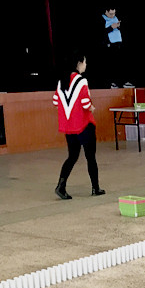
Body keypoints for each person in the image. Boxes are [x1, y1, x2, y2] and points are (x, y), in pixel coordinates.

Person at [52, 53, 104, 199]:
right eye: (85, 62)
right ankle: (95, 188)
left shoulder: (61, 81)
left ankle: (61, 186)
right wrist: (92, 108)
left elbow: (55, 101)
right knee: (90, 157)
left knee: (72, 157)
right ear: (79, 63)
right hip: (84, 124)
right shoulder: (82, 81)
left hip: (69, 127)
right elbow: (85, 103)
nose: (86, 65)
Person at [103, 8, 123, 87]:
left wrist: (118, 26)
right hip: (109, 45)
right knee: (110, 65)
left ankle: (119, 82)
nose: (113, 16)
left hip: (118, 43)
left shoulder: (116, 17)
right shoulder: (102, 19)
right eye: (111, 14)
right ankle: (110, 83)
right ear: (106, 12)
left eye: (114, 13)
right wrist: (111, 27)